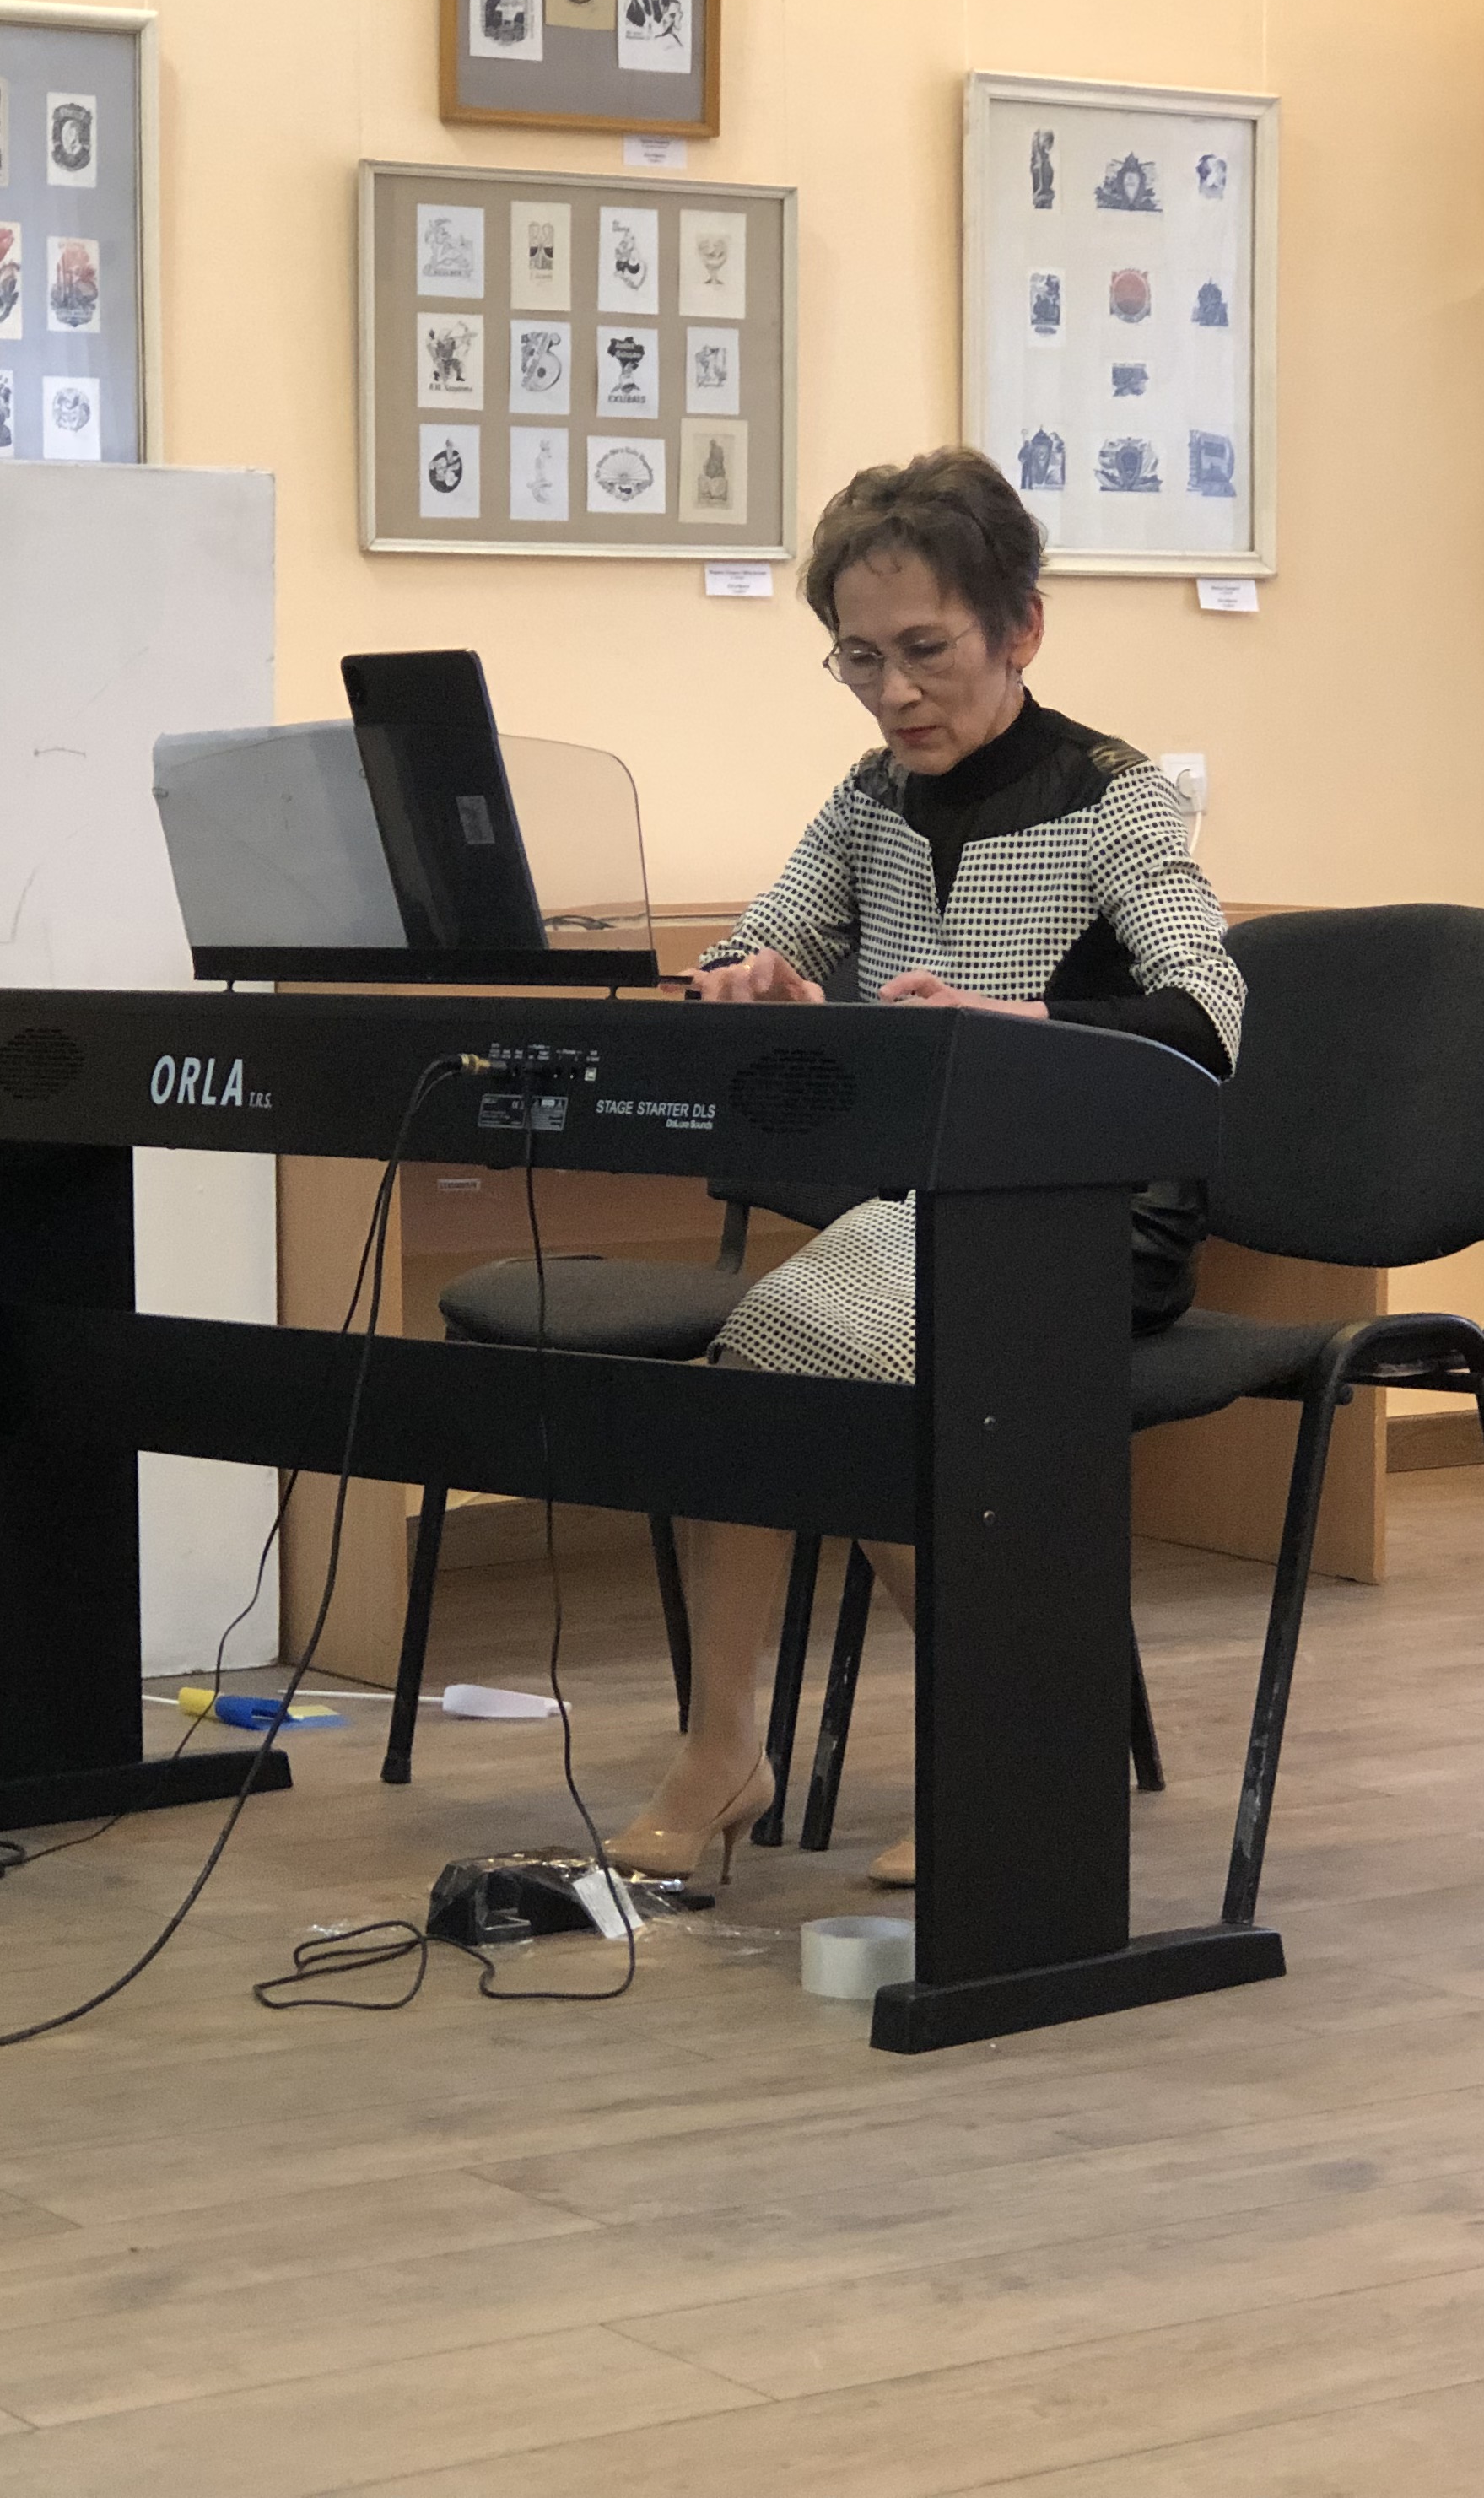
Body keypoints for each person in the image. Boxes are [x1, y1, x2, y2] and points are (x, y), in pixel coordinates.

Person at [601, 445, 1242, 1889]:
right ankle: (729, 1751)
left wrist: (1005, 1025)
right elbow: (759, 939)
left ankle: (1000, 1737)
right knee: (768, 1363)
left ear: (1021, 631)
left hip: (1087, 1216)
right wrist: (750, 982)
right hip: (914, 1211)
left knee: (806, 1345)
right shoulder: (867, 799)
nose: (893, 693)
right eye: (860, 658)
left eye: (926, 651)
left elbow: (1210, 1016)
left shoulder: (1115, 799)